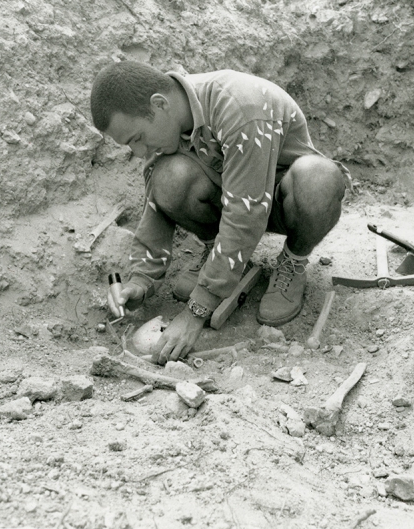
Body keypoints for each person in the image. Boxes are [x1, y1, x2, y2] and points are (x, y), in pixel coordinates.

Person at [90, 61, 349, 365]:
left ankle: (292, 261)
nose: (139, 151)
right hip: (234, 201)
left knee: (319, 179)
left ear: (158, 105)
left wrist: (196, 312)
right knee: (168, 177)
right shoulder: (168, 120)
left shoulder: (240, 107)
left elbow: (245, 214)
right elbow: (156, 205)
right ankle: (218, 256)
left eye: (136, 138)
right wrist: (140, 280)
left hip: (282, 200)